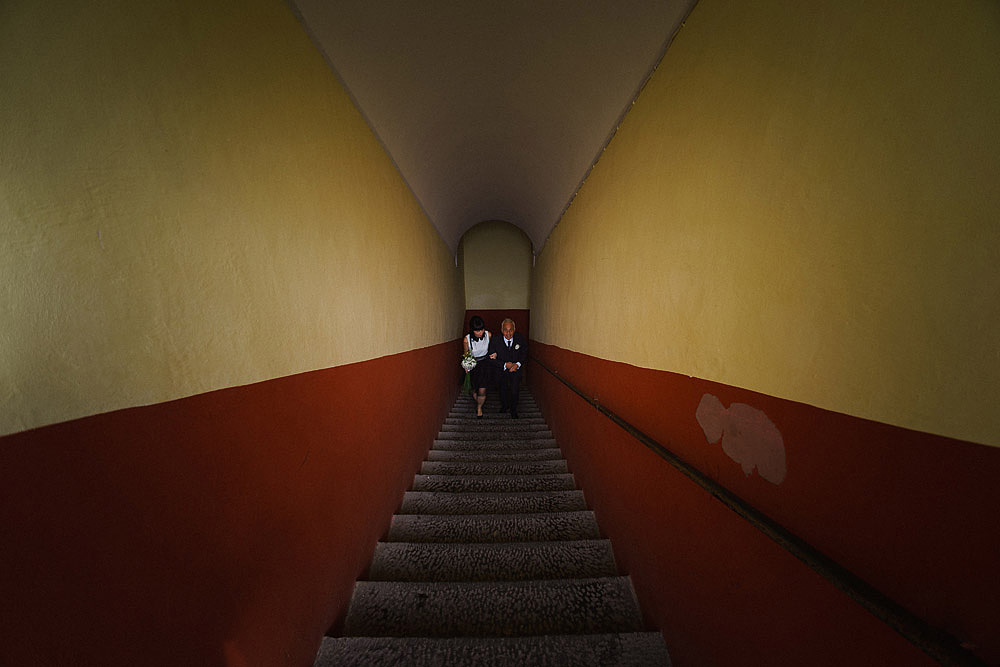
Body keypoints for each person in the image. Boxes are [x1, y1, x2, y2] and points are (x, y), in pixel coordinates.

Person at [488, 318, 527, 418]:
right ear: (502, 330)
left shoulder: (520, 338)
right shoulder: (495, 340)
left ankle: (513, 409)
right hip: (501, 371)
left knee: (515, 390)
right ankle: (504, 406)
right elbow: (491, 358)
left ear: (514, 329)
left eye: (511, 330)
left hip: (516, 370)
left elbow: (524, 352)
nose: (508, 333)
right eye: (505, 330)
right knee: (502, 389)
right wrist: (505, 364)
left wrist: (517, 364)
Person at [463, 315, 495, 418]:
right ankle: (478, 400)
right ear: (472, 330)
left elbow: (493, 349)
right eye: (477, 331)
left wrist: (495, 354)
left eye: (481, 329)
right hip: (474, 365)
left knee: (482, 389)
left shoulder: (488, 334)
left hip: (485, 364)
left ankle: (479, 407)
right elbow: (466, 355)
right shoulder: (467, 339)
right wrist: (466, 366)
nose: (480, 332)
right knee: (474, 389)